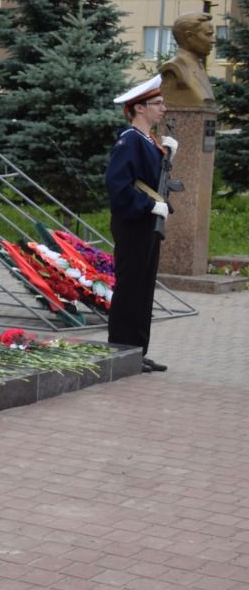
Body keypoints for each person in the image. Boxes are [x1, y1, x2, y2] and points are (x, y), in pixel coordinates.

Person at [105, 75, 177, 372]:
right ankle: (122, 351)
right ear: (138, 108)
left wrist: (169, 155)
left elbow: (150, 179)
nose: (162, 108)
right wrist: (149, 204)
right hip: (134, 223)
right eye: (156, 103)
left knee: (144, 288)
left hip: (148, 222)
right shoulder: (129, 140)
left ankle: (137, 351)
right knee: (131, 288)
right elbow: (117, 185)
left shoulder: (149, 141)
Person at [158, 13, 217, 109]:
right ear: (189, 36)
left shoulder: (198, 66)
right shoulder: (174, 68)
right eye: (208, 35)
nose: (213, 40)